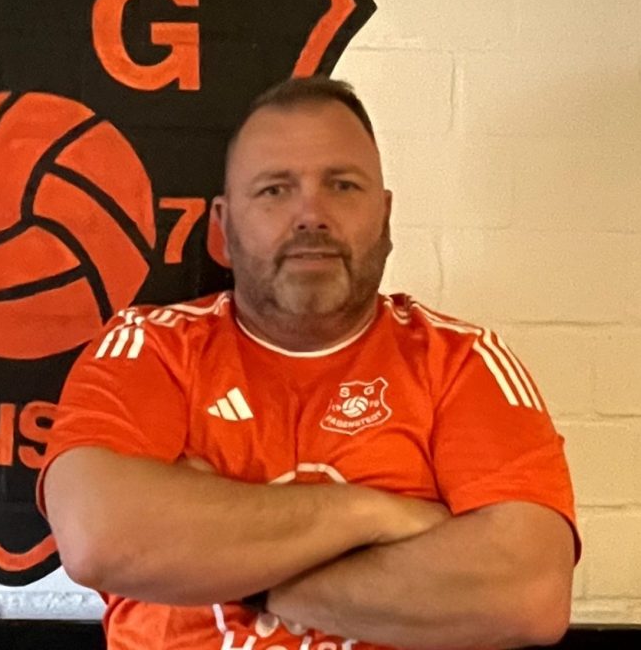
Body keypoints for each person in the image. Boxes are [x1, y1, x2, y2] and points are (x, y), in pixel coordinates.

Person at [38, 76, 579, 650]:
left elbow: (529, 595)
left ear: (385, 217)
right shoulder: (150, 347)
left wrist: (231, 565)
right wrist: (372, 515)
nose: (311, 215)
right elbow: (98, 537)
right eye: (274, 190)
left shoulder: (462, 362)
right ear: (222, 227)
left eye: (343, 186)